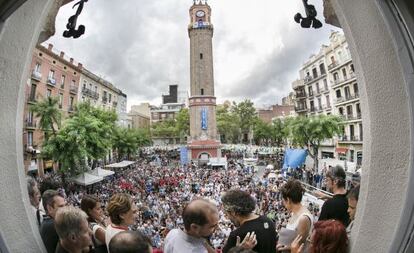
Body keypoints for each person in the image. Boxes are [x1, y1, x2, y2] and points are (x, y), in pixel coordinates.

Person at [277, 179, 313, 252]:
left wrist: (282, 247)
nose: (283, 204)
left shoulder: (304, 218)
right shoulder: (294, 213)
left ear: (288, 200)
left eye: (283, 200)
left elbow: (300, 246)